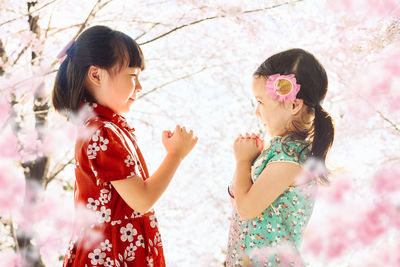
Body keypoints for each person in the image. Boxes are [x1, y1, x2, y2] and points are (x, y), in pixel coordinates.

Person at [52, 25, 197, 267]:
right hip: (111, 254)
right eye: (132, 76)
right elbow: (142, 199)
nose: (139, 86)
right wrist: (175, 155)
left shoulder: (105, 127)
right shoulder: (101, 131)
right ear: (96, 75)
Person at [226, 48, 334, 266]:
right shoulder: (277, 151)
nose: (257, 111)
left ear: (294, 105)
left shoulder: (292, 159)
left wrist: (244, 161)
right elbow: (238, 202)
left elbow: (246, 209)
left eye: (261, 102)